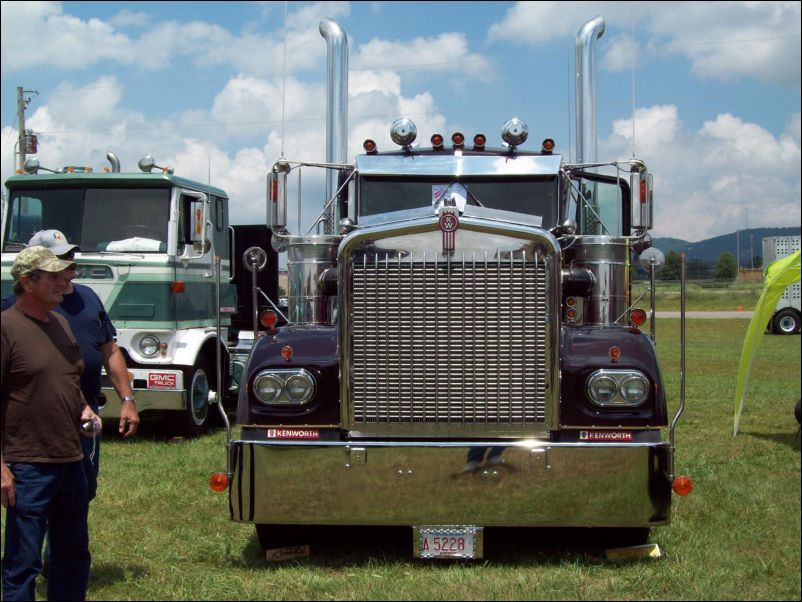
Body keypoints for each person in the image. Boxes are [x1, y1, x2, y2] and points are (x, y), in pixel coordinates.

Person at [2, 230, 140, 504]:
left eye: (69, 258)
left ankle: (61, 547)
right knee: (32, 508)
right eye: (57, 260)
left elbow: (109, 349)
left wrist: (127, 399)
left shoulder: (88, 298)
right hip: (32, 427)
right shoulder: (10, 311)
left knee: (79, 494)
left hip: (81, 412)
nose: (67, 269)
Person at [1, 246, 100, 601]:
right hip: (28, 464)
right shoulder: (6, 328)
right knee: (23, 561)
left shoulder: (59, 323)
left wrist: (83, 410)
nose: (65, 281)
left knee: (73, 556)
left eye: (65, 274)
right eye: (55, 276)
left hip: (71, 459)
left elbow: (69, 380)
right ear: (28, 282)